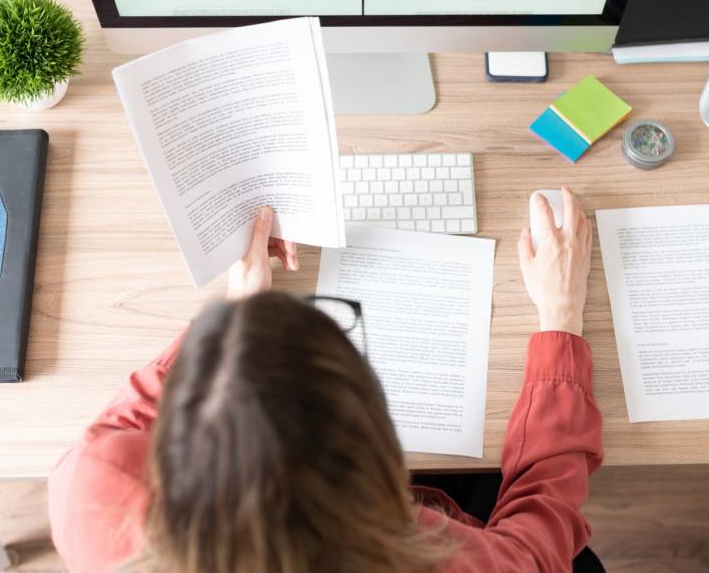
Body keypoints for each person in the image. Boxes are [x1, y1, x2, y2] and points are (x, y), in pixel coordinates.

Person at [48, 187, 604, 572]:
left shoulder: (94, 489)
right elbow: (535, 551)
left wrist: (238, 317)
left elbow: (130, 416)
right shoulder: (420, 558)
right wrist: (561, 320)